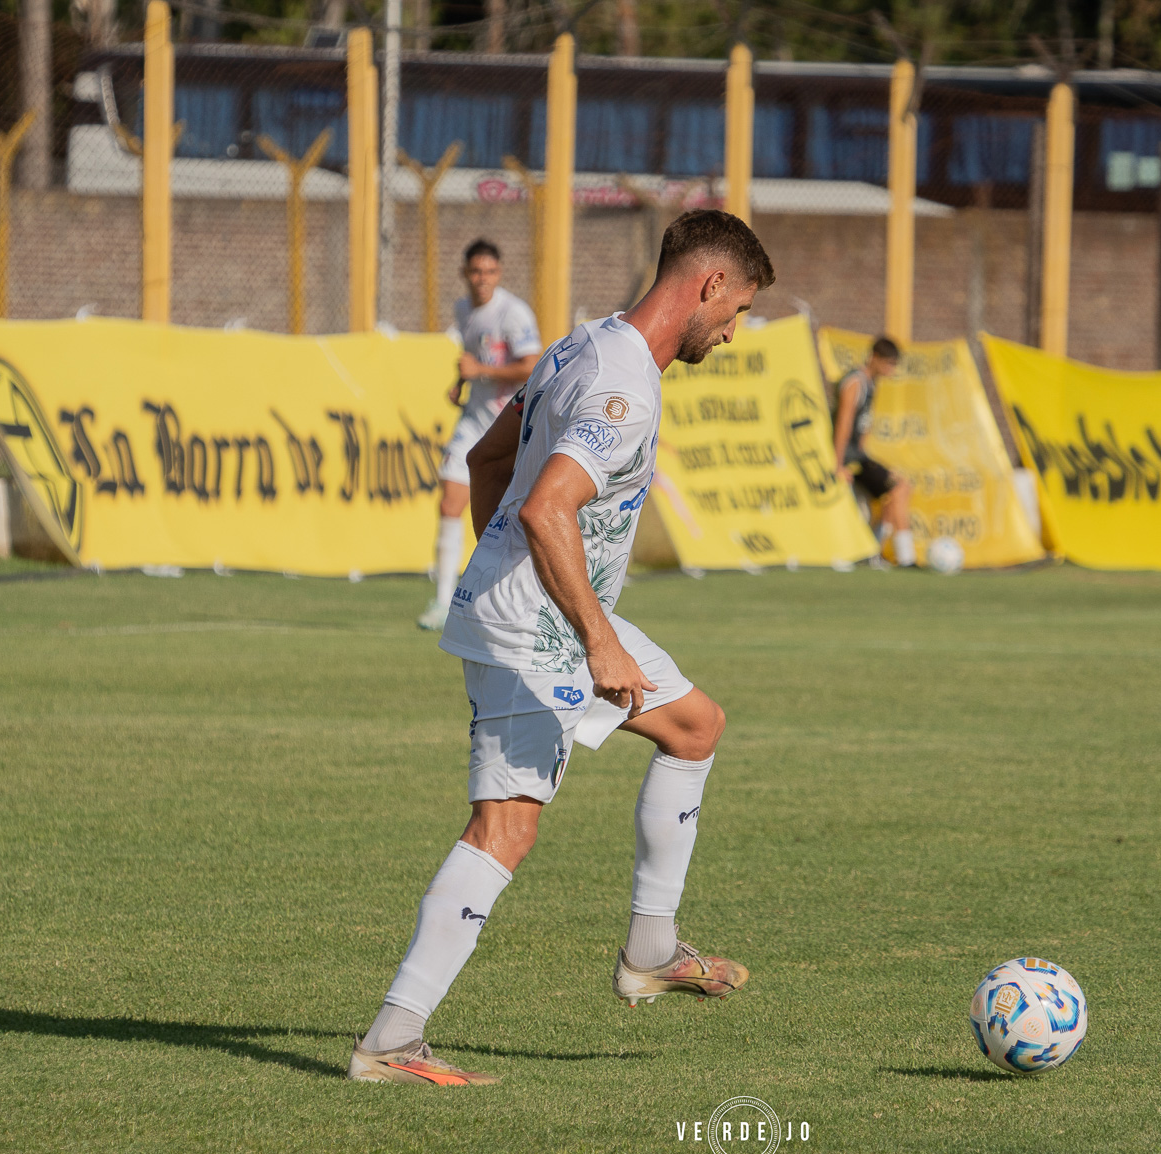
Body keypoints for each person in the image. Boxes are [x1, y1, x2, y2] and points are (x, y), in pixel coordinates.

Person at [349, 210, 773, 1087]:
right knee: (504, 827)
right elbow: (545, 507)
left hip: (533, 605)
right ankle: (391, 1043)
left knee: (696, 727)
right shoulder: (624, 385)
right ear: (710, 285)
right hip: (540, 623)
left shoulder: (580, 346)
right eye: (736, 313)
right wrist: (592, 639)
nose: (731, 335)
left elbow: (485, 461)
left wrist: (500, 572)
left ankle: (651, 947)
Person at [418, 241, 542, 631]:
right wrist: (462, 384)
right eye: (476, 272)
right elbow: (475, 363)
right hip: (473, 420)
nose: (482, 279)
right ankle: (442, 603)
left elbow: (532, 366)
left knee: (517, 514)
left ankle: (519, 600)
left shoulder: (513, 312)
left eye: (489, 272)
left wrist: (479, 373)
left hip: (509, 425)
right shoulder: (463, 310)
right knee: (449, 503)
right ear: (465, 273)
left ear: (498, 274)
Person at [834, 336, 916, 567]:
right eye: (888, 363)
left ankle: (876, 553)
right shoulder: (855, 383)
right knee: (898, 487)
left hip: (858, 456)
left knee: (900, 487)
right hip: (848, 459)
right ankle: (902, 557)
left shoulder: (871, 383)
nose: (891, 370)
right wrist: (838, 465)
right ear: (874, 358)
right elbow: (843, 424)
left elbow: (863, 426)